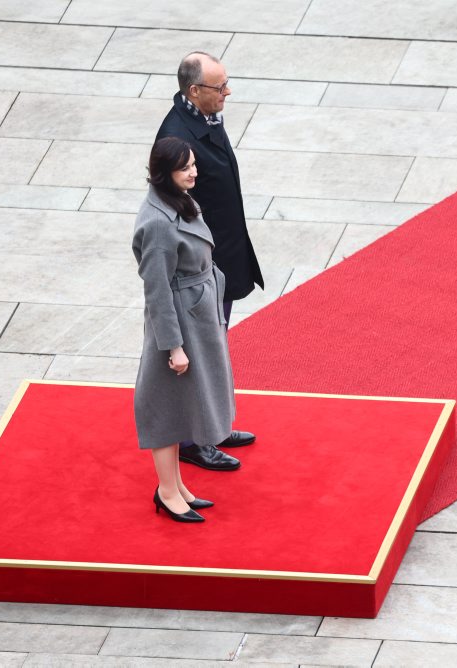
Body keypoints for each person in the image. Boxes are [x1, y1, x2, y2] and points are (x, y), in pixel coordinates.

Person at [156, 51, 264, 472]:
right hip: (199, 270)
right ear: (194, 91)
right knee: (198, 351)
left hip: (220, 259)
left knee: (214, 347)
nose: (228, 92)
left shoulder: (203, 119)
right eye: (220, 87)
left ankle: (214, 425)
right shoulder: (178, 138)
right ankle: (193, 440)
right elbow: (172, 212)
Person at [132, 137, 237, 522]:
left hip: (196, 314)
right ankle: (166, 491)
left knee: (181, 406)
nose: (194, 171)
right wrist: (174, 347)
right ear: (165, 173)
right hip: (178, 322)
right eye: (185, 167)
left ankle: (176, 487)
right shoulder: (159, 223)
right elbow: (156, 291)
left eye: (193, 164)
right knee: (165, 410)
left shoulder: (177, 201)